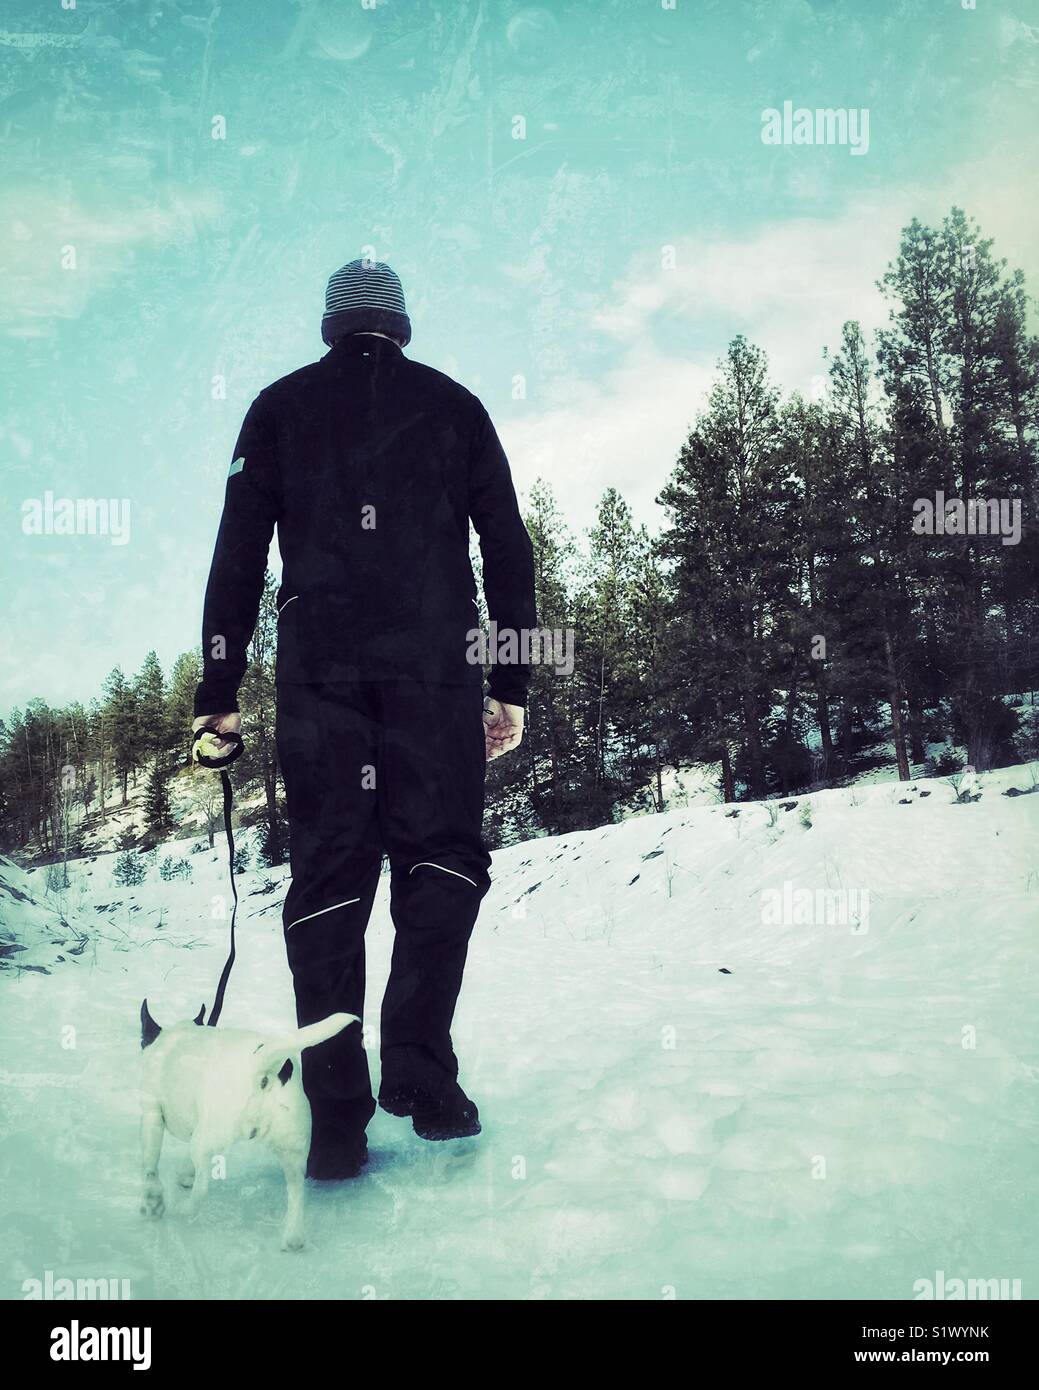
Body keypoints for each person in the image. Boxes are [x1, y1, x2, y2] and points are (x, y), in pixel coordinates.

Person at [192, 259, 536, 1178]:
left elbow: (237, 554)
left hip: (320, 675)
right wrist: (511, 683)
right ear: (401, 326)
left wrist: (216, 695)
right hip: (436, 670)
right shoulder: (454, 404)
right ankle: (422, 1079)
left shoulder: (277, 406)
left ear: (331, 328)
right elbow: (507, 544)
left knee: (331, 873)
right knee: (441, 861)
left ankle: (333, 1113)